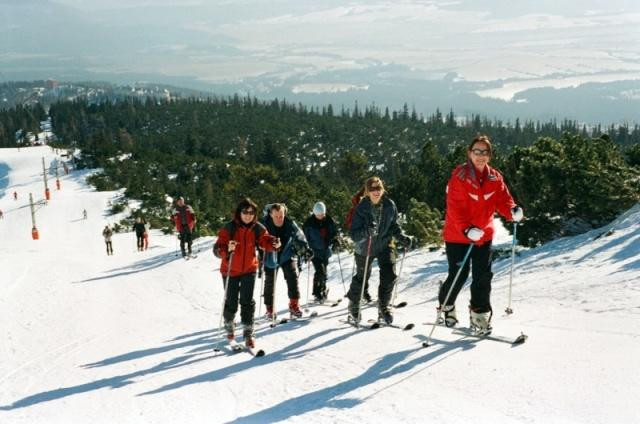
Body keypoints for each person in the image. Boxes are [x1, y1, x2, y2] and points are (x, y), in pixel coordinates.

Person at [438, 134, 523, 334]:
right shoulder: (459, 177)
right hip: (458, 235)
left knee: (483, 276)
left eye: (485, 152)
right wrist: (467, 229)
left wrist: (512, 211)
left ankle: (480, 314)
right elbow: (454, 208)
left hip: (483, 235)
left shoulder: (495, 177)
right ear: (470, 153)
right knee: (459, 275)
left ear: (490, 155)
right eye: (477, 151)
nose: (480, 156)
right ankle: (446, 304)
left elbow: (503, 200)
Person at [347, 176, 412, 325]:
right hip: (365, 245)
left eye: (379, 188)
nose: (376, 192)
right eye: (372, 189)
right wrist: (366, 231)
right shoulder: (361, 208)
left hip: (384, 243)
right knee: (363, 276)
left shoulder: (390, 205)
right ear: (367, 191)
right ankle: (354, 305)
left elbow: (393, 225)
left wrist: (401, 237)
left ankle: (383, 307)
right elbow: (353, 234)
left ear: (383, 189)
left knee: (389, 273)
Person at [213, 198, 278, 347]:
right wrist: (226, 249)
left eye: (251, 212)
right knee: (231, 301)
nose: (248, 215)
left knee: (247, 301)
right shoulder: (229, 228)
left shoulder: (257, 228)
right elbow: (217, 249)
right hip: (230, 270)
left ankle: (248, 331)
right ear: (239, 213)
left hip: (249, 269)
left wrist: (274, 243)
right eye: (245, 212)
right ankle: (229, 325)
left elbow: (266, 241)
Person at [262, 203, 313, 319]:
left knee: (292, 278)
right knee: (269, 283)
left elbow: (300, 236)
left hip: (286, 255)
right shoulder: (265, 226)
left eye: (281, 216)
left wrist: (306, 249)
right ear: (271, 215)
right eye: (277, 216)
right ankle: (269, 309)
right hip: (270, 256)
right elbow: (258, 239)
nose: (279, 219)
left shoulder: (290, 224)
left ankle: (294, 305)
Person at [303, 201, 338, 303]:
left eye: (322, 214)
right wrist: (306, 250)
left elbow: (334, 232)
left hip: (325, 250)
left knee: (323, 271)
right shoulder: (309, 223)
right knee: (320, 271)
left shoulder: (328, 220)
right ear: (314, 213)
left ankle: (321, 290)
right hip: (314, 251)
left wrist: (335, 240)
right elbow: (304, 238)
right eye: (318, 214)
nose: (321, 216)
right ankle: (317, 292)